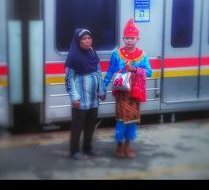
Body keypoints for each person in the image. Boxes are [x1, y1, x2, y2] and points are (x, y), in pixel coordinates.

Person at [103, 19, 152, 158]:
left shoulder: (142, 55)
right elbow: (110, 71)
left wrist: (135, 69)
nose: (129, 40)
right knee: (120, 120)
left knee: (132, 120)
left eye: (132, 38)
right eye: (127, 38)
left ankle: (128, 146)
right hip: (121, 93)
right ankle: (119, 146)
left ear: (137, 39)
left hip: (134, 93)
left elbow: (149, 72)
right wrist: (102, 87)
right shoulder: (117, 54)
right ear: (123, 38)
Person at [65, 28, 107, 160]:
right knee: (77, 126)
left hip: (93, 96)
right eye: (84, 38)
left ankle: (88, 148)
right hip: (80, 97)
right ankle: (74, 151)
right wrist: (74, 97)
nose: (88, 41)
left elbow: (99, 71)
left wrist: (101, 90)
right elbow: (68, 79)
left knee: (90, 124)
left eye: (89, 38)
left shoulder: (92, 52)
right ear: (78, 41)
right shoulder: (73, 57)